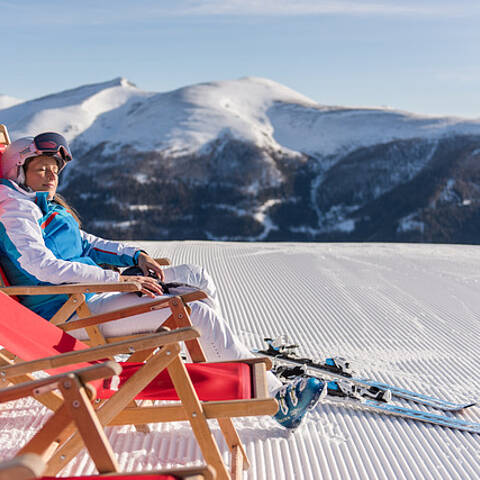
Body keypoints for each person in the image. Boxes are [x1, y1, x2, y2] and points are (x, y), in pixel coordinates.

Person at [0, 132, 324, 429]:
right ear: (17, 170)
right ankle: (275, 399)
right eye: (42, 168)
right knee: (194, 313)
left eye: (55, 168)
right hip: (69, 313)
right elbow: (42, 266)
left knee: (194, 277)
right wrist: (114, 280)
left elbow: (85, 243)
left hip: (91, 295)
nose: (52, 175)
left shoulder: (40, 204)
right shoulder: (15, 211)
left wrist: (134, 257)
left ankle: (218, 354)